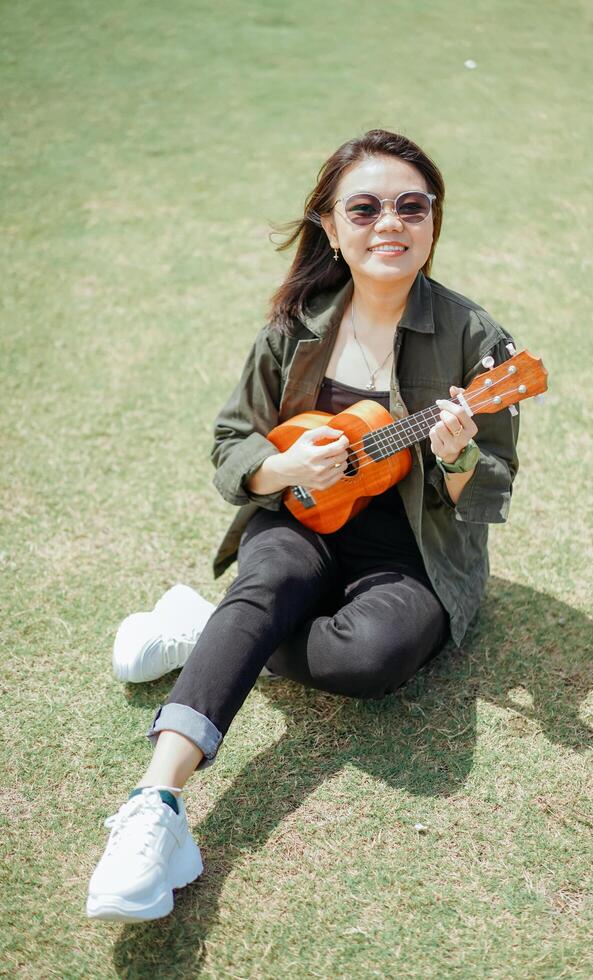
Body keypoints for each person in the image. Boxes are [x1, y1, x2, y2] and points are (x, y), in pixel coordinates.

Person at [87, 128, 519, 922]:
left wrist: (455, 457)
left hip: (411, 550)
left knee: (374, 659)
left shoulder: (475, 339)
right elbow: (231, 441)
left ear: (432, 221)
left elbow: (491, 486)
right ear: (330, 225)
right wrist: (283, 470)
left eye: (411, 206)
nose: (390, 222)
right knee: (274, 579)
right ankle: (157, 806)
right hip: (302, 519)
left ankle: (213, 627)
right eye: (365, 207)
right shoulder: (296, 323)